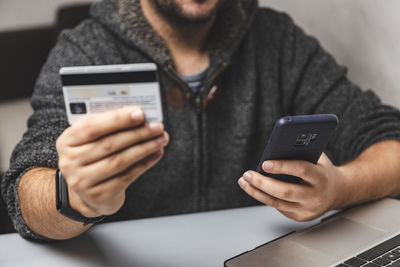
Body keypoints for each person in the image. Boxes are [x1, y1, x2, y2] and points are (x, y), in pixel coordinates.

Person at [1, 0, 400, 242]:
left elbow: (390, 141)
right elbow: (23, 193)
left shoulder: (278, 40)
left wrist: (341, 188)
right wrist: (73, 198)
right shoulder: (86, 49)